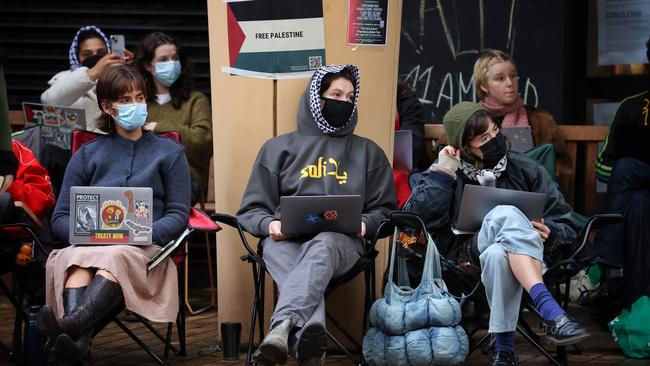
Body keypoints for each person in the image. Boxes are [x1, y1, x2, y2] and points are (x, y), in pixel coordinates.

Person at [237, 64, 396, 366]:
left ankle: (281, 328)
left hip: (342, 244)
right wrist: (269, 225)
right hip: (287, 241)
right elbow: (250, 210)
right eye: (336, 94)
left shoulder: (369, 152)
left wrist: (365, 223)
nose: (344, 102)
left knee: (323, 242)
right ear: (316, 98)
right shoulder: (277, 149)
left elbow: (386, 211)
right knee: (278, 248)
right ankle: (309, 336)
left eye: (350, 97)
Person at [406, 102, 587, 366]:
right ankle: (550, 310)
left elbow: (567, 220)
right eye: (484, 138)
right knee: (507, 213)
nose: (494, 140)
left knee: (498, 254)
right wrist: (443, 174)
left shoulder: (527, 169)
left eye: (495, 132)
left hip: (526, 256)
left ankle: (503, 351)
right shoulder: (447, 172)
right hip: (466, 260)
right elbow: (414, 220)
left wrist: (552, 230)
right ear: (465, 146)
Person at [37, 66, 191, 364]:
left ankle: (67, 327)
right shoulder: (86, 155)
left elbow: (178, 214)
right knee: (74, 260)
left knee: (113, 257)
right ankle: (77, 345)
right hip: (90, 248)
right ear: (107, 107)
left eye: (139, 97)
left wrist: (144, 233)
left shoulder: (170, 153)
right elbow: (61, 217)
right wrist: (85, 234)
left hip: (144, 252)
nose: (136, 105)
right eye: (125, 99)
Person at [593, 37, 650, 309]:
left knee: (627, 168)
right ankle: (635, 308)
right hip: (640, 193)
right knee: (638, 202)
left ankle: (604, 260)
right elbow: (604, 168)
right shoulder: (632, 106)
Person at [473, 49, 572, 196]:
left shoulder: (540, 120)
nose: (510, 83)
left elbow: (560, 166)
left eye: (513, 76)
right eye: (500, 78)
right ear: (483, 86)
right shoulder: (470, 119)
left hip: (530, 193)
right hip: (483, 193)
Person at [135, 32, 212, 202]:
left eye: (175, 58)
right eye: (163, 60)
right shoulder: (138, 103)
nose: (171, 64)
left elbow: (203, 144)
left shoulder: (195, 101)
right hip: (142, 176)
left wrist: (157, 127)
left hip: (186, 177)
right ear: (148, 65)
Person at [41, 25, 134, 132]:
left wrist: (130, 69)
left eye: (100, 53)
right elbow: (49, 102)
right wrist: (91, 74)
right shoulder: (65, 77)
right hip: (78, 145)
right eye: (87, 54)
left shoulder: (117, 76)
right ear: (77, 56)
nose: (95, 57)